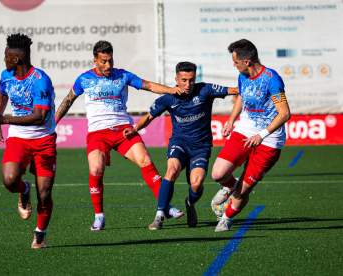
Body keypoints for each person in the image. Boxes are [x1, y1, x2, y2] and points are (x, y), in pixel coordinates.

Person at [55, 40, 184, 231]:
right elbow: (68, 100)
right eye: (104, 61)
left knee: (145, 159)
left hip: (123, 129)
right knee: (96, 168)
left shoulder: (123, 75)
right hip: (98, 133)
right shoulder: (84, 79)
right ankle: (99, 216)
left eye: (110, 60)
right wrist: (53, 122)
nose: (108, 65)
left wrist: (170, 89)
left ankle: (164, 206)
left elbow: (147, 85)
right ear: (95, 61)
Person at [124, 62, 239, 230]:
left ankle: (190, 202)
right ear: (176, 79)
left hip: (201, 146)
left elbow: (235, 90)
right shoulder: (169, 98)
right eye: (184, 80)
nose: (188, 84)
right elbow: (149, 117)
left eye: (191, 80)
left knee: (197, 184)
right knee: (171, 171)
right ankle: (159, 216)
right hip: (179, 143)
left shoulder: (205, 90)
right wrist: (135, 129)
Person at [0, 34, 57, 248]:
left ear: (16, 59)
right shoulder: (7, 75)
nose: (4, 59)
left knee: (44, 194)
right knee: (9, 180)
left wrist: (4, 119)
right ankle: (24, 189)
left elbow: (40, 117)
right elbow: (2, 93)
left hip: (44, 139)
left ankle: (40, 234)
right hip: (19, 137)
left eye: (6, 56)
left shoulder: (40, 80)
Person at [211, 39, 291, 232]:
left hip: (269, 140)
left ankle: (227, 218)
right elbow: (241, 97)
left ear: (247, 62)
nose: (234, 65)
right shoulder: (242, 76)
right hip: (244, 131)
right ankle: (231, 186)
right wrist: (231, 121)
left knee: (244, 190)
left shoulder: (272, 79)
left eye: (236, 62)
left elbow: (285, 113)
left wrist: (261, 135)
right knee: (218, 174)